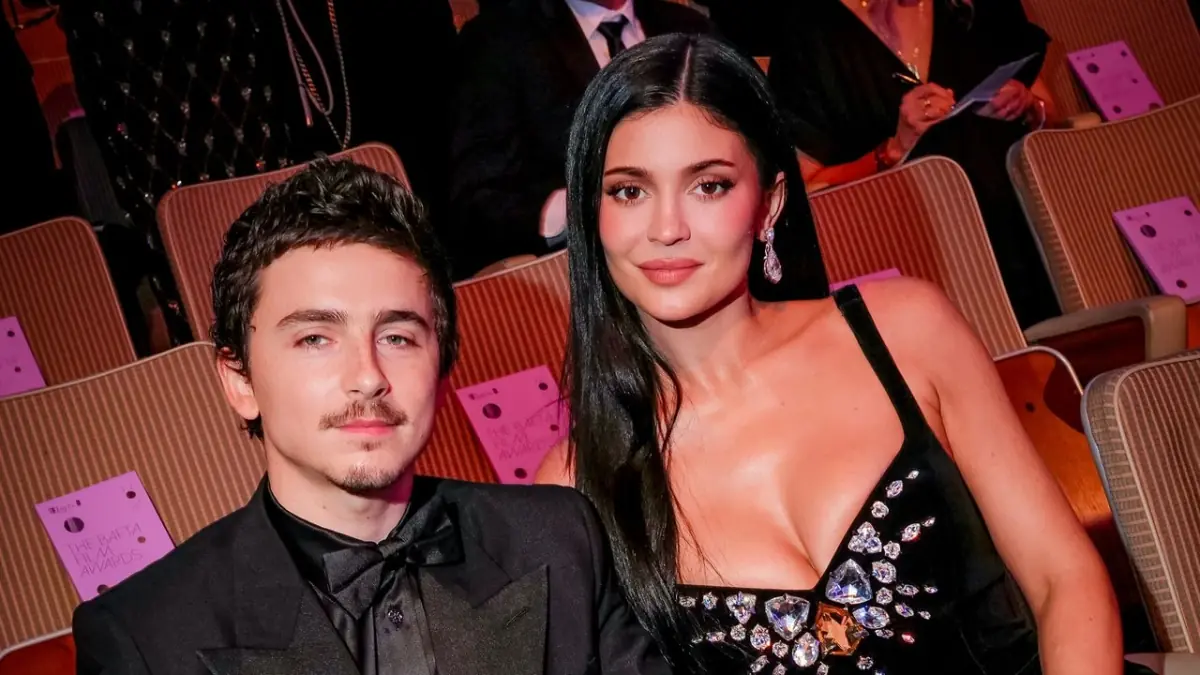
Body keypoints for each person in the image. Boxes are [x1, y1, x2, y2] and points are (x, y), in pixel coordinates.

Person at [537, 34, 1140, 675]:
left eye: (708, 186)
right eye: (629, 191)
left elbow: (1063, 580)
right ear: (591, 214)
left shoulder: (903, 331)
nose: (666, 228)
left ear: (769, 204)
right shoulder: (576, 487)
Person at [71, 159, 670, 675]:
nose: (367, 375)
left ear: (442, 370)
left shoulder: (562, 539)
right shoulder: (145, 637)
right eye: (314, 338)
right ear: (240, 381)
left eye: (398, 337)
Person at [767, 0, 1061, 329]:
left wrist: (1029, 107)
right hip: (912, 258)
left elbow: (1050, 114)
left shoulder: (973, 9)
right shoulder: (812, 38)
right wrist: (893, 150)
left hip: (1014, 245)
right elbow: (805, 189)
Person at [446, 0, 712, 278]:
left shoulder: (690, 28)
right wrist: (579, 209)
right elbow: (477, 200)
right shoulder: (499, 38)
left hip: (703, 253)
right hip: (572, 276)